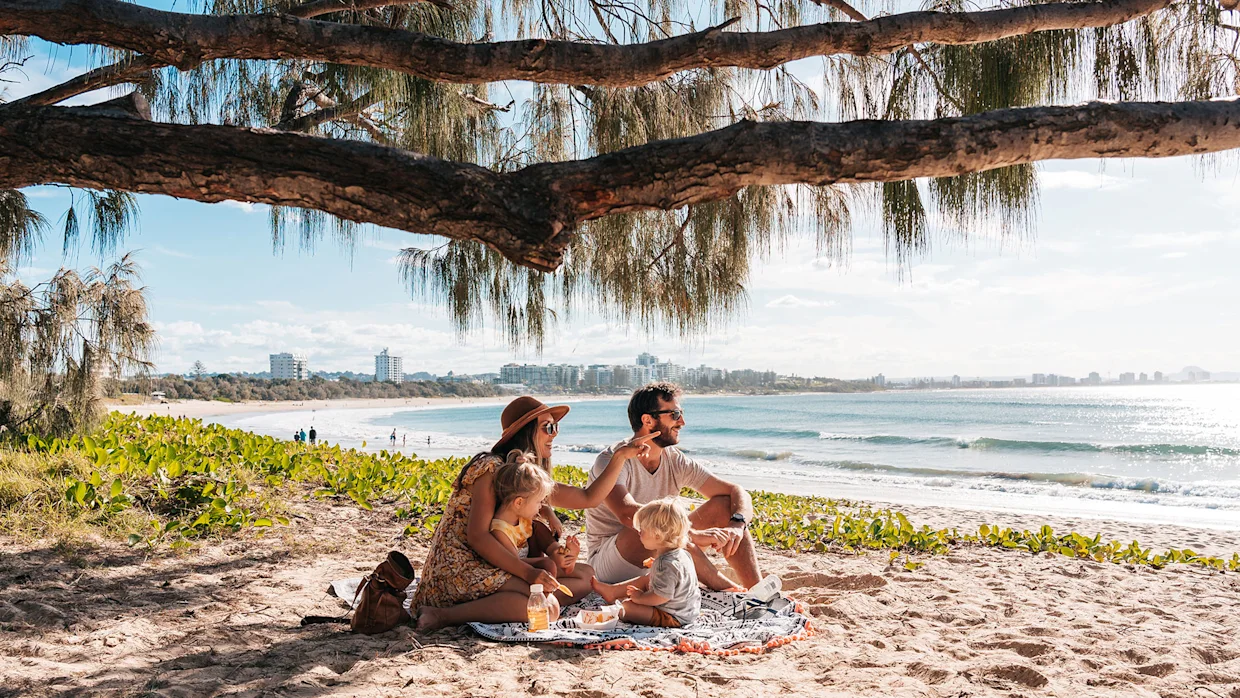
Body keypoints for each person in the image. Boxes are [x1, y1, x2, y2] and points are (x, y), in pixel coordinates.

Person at [414, 396, 657, 631]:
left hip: (495, 562)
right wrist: (528, 573)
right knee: (547, 609)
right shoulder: (491, 468)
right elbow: (478, 537)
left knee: (586, 577)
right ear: (525, 431)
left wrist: (620, 456)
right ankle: (444, 615)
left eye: (555, 427)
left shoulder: (526, 476)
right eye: (547, 427)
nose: (554, 434)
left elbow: (588, 498)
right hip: (462, 568)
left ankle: (503, 604)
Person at [585, 382, 761, 590]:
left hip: (662, 551)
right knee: (644, 524)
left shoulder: (675, 460)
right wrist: (692, 534)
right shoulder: (613, 459)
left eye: (681, 414)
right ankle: (730, 589)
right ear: (648, 420)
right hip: (611, 563)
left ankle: (758, 591)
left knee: (724, 505)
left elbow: (736, 491)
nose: (682, 422)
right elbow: (627, 514)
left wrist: (737, 525)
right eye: (675, 415)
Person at [488, 452, 593, 615]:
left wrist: (560, 554)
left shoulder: (521, 517)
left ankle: (564, 562)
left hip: (537, 575)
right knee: (582, 582)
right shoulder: (500, 530)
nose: (540, 507)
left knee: (589, 574)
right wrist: (550, 562)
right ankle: (548, 598)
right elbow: (514, 567)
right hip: (520, 580)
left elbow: (541, 522)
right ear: (519, 502)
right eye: (538, 502)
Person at [590, 497, 700, 628]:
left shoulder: (664, 564)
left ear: (657, 536)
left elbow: (661, 597)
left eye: (642, 530)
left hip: (672, 617)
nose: (638, 533)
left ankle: (616, 600)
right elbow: (676, 576)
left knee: (627, 607)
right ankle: (612, 591)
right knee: (647, 578)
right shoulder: (682, 554)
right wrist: (656, 567)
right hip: (688, 612)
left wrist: (640, 598)